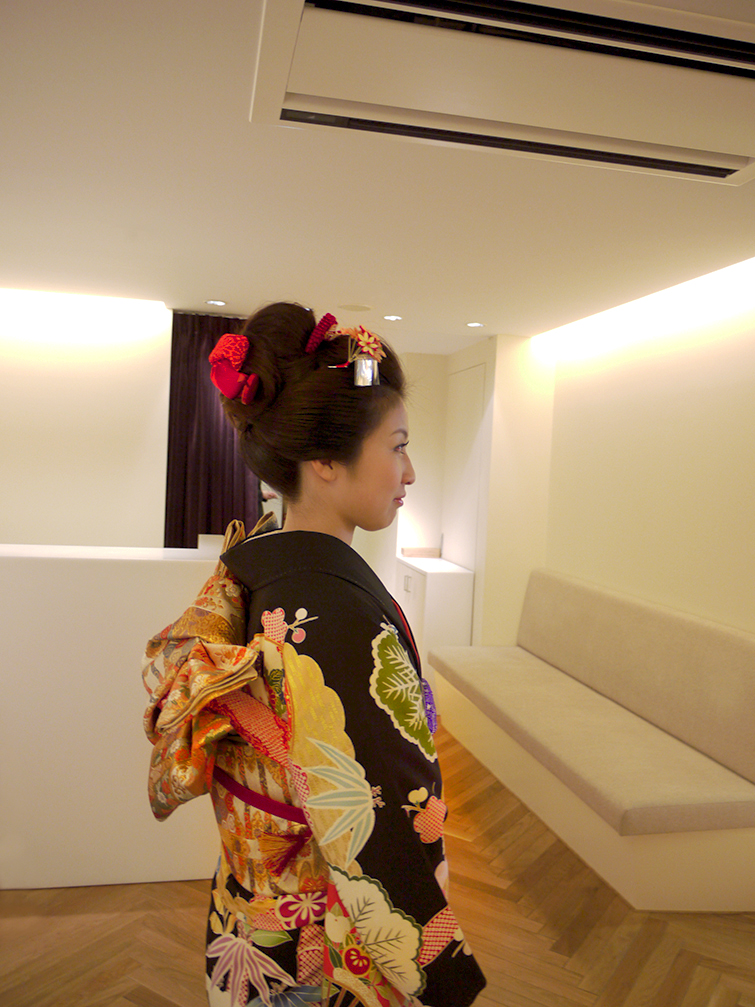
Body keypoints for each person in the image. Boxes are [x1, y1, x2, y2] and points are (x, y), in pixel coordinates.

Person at [142, 302, 487, 1007]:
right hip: (315, 952)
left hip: (248, 924)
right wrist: (444, 978)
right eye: (396, 446)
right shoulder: (330, 614)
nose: (409, 471)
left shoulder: (261, 561)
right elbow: (378, 827)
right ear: (324, 460)